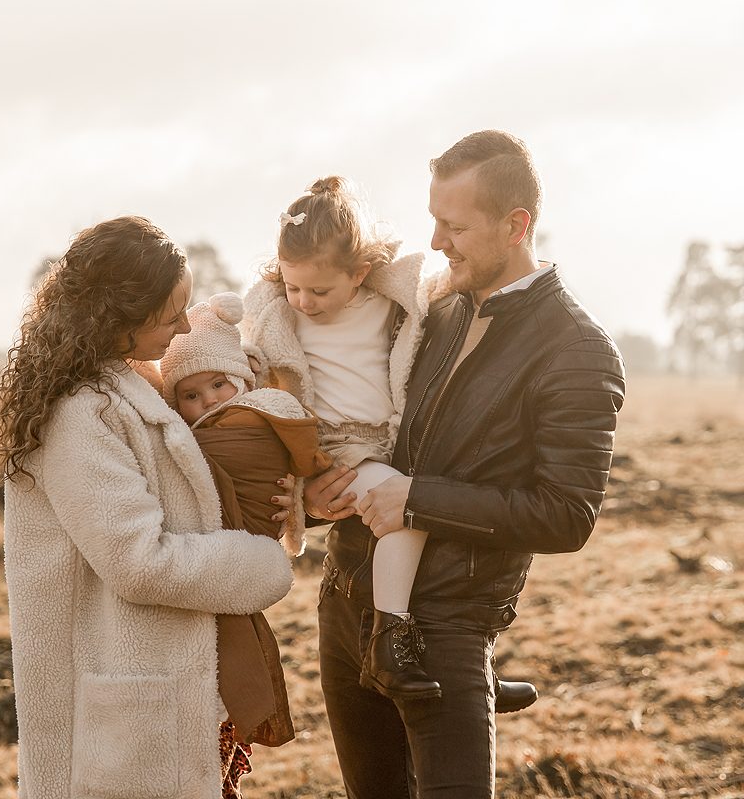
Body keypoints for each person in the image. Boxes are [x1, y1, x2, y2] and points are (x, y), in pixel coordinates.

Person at [304, 130, 626, 798]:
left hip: (445, 634)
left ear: (516, 226)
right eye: (433, 220)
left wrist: (415, 500)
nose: (438, 241)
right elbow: (363, 419)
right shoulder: (432, 307)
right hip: (343, 609)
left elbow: (567, 515)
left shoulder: (577, 350)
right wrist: (319, 497)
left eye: (454, 226)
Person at [0, 216, 296, 799]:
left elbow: (188, 493)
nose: (184, 327)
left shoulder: (129, 387)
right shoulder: (80, 413)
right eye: (170, 312)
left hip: (156, 691)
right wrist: (263, 563)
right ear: (120, 313)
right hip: (120, 712)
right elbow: (139, 561)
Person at [243, 176, 536, 710]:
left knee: (452, 517)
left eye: (319, 290)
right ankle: (388, 638)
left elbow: (441, 301)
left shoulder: (391, 303)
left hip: (392, 437)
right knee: (408, 507)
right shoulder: (278, 317)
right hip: (336, 450)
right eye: (292, 286)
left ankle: (477, 673)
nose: (304, 301)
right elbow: (246, 354)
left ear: (358, 274)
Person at [159, 290, 331, 779]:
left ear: (240, 378)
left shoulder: (259, 412)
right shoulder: (186, 436)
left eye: (218, 384)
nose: (209, 400)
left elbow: (295, 456)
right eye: (191, 395)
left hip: (242, 541)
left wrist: (297, 497)